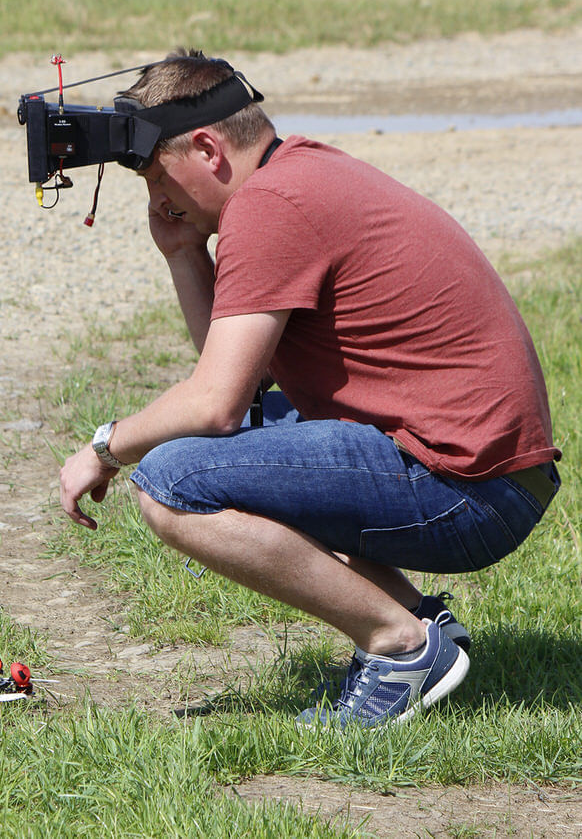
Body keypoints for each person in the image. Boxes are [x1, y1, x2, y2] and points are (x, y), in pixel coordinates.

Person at [59, 48, 561, 729]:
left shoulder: (270, 207)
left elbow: (213, 405)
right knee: (262, 428)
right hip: (492, 478)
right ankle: (414, 619)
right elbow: (234, 373)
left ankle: (401, 647)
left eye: (157, 177)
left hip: (468, 492)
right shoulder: (296, 175)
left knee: (170, 484)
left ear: (207, 148)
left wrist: (106, 448)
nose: (157, 200)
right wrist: (183, 254)